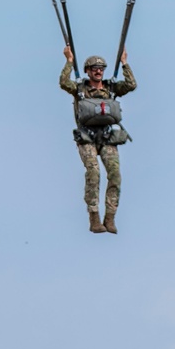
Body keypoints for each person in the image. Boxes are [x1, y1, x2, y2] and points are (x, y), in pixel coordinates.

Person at [60, 46, 136, 234]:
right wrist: (69, 61)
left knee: (115, 175)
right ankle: (94, 217)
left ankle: (110, 218)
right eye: (94, 68)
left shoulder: (111, 88)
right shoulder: (80, 89)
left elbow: (131, 85)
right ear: (87, 70)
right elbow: (63, 83)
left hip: (107, 137)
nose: (98, 70)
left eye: (101, 68)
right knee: (94, 173)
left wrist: (125, 64)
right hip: (87, 138)